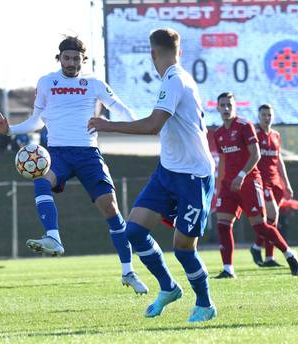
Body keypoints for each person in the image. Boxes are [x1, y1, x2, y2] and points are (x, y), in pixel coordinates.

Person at [0, 35, 148, 294]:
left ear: (82, 60)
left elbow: (120, 109)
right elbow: (36, 120)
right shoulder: (46, 82)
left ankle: (128, 271)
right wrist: (10, 129)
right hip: (58, 154)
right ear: (59, 58)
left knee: (110, 208)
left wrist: (139, 126)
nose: (71, 62)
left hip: (88, 154)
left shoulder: (94, 83)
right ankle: (53, 236)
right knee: (41, 178)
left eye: (76, 58)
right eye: (67, 58)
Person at [88, 28, 217, 322]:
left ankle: (205, 304)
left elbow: (153, 126)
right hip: (168, 170)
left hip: (193, 175)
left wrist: (107, 125)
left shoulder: (174, 79)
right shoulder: (174, 79)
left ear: (152, 53)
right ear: (179, 51)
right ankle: (169, 287)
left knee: (184, 248)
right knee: (133, 231)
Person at [213, 92, 298, 279]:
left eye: (229, 105)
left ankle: (289, 254)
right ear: (217, 108)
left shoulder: (245, 126)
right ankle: (228, 269)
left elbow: (256, 155)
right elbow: (222, 160)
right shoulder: (219, 134)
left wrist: (242, 175)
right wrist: (220, 185)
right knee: (222, 224)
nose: (226, 108)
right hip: (229, 185)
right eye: (223, 105)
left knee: (260, 226)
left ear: (235, 107)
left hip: (249, 182)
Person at [248, 104, 295, 267]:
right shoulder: (254, 133)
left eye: (269, 115)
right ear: (258, 116)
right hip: (261, 181)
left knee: (271, 220)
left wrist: (286, 183)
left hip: (276, 182)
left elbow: (279, 160)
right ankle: (258, 248)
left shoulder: (276, 135)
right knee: (272, 214)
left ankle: (267, 255)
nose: (267, 118)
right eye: (264, 115)